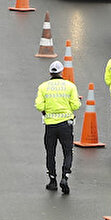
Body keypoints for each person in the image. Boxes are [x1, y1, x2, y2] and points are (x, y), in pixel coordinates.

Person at [35, 60, 81, 194]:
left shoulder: (43, 87)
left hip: (50, 125)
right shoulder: (70, 86)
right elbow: (75, 106)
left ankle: (52, 180)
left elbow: (39, 105)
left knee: (50, 153)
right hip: (66, 124)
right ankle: (65, 177)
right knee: (68, 152)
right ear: (61, 72)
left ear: (50, 73)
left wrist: (47, 110)